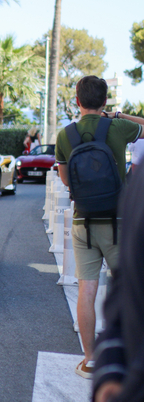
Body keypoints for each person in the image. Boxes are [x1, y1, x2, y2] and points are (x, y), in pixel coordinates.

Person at [55, 76, 144, 379]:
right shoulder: (118, 127)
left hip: (84, 222)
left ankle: (90, 359)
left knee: (87, 290)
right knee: (125, 291)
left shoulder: (65, 135)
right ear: (105, 101)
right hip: (119, 222)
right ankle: (125, 356)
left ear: (76, 101)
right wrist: (118, 116)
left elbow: (66, 180)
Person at [93, 165, 144, 402]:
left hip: (81, 217)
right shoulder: (139, 179)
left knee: (86, 283)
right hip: (109, 219)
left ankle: (86, 358)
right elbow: (127, 283)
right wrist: (110, 370)